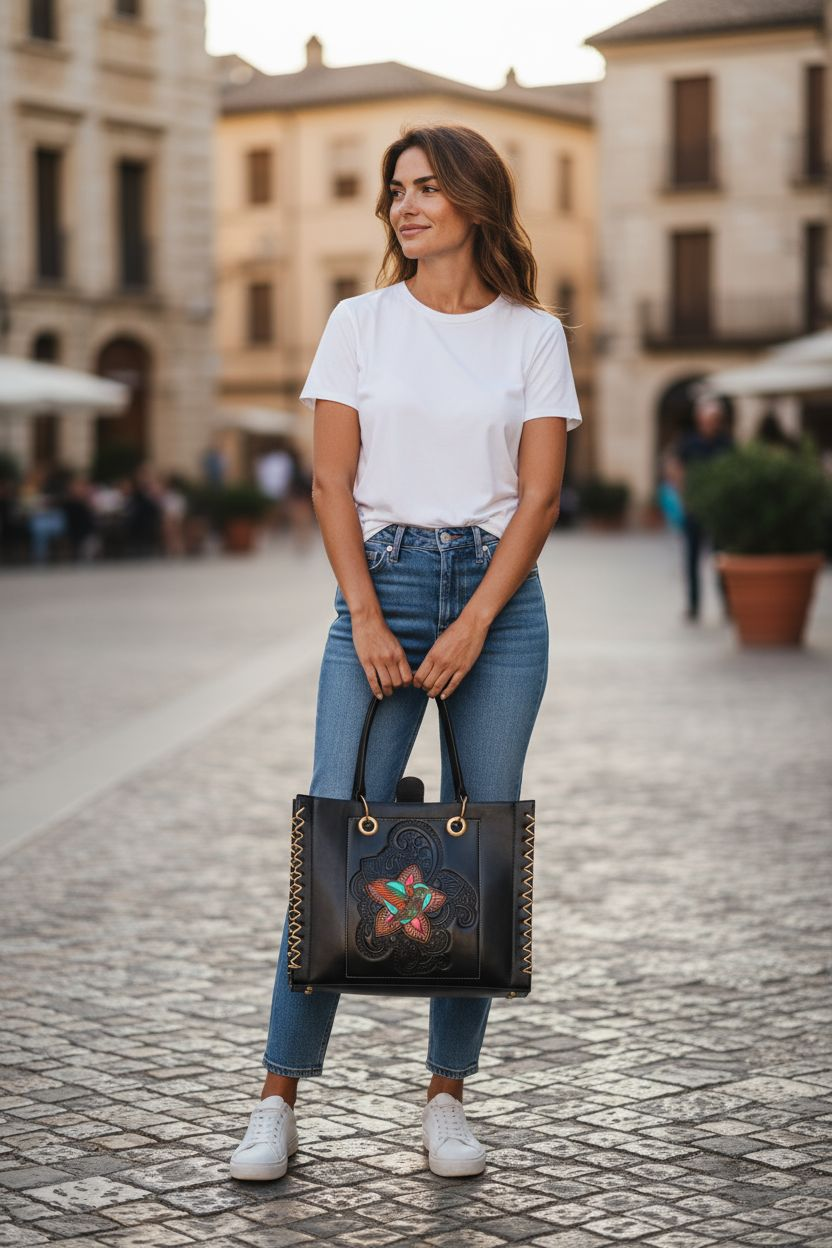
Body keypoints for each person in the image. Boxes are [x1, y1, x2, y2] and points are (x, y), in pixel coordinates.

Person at [229, 123, 582, 1184]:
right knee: (333, 839)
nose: (403, 206)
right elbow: (332, 484)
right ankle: (276, 1100)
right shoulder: (358, 322)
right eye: (394, 191)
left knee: (477, 852)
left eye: (425, 188)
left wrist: (476, 620)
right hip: (378, 592)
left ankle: (445, 1101)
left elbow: (541, 494)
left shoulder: (533, 334)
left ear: (475, 199)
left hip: (500, 608)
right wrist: (370, 619)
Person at [669, 396, 734, 621]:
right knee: (691, 560)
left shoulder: (726, 443)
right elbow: (676, 467)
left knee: (721, 559)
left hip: (718, 511)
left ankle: (728, 604)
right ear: (699, 419)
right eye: (707, 418)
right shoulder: (689, 442)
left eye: (714, 419)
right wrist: (683, 493)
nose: (710, 423)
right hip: (694, 509)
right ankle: (694, 605)